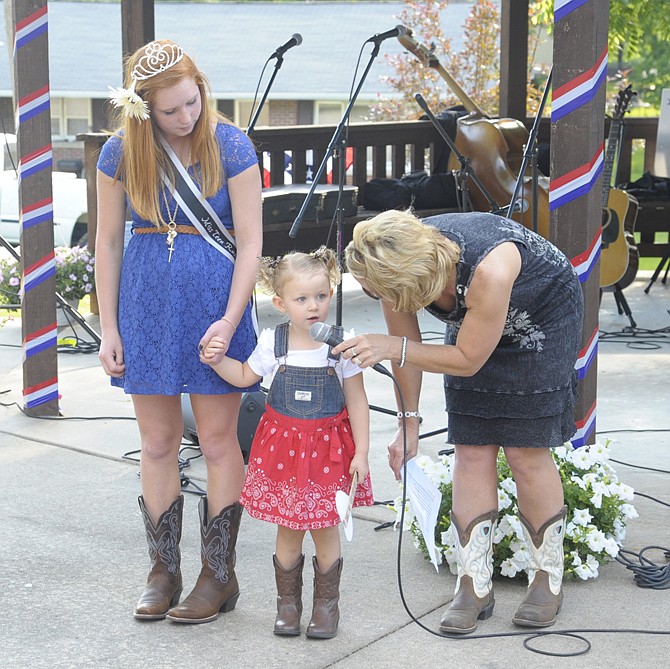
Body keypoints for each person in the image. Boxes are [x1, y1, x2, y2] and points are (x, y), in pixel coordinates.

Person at [334, 209, 584, 635]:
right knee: (471, 448)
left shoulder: (488, 268)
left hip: (542, 319)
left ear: (406, 277)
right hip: (478, 325)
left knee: (525, 452)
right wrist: (407, 423)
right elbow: (405, 352)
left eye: (374, 288)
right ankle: (473, 583)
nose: (369, 293)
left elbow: (464, 360)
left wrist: (391, 345)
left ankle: (547, 578)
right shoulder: (395, 271)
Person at [95, 39, 262, 624]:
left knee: (218, 442)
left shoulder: (231, 143)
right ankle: (163, 570)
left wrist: (232, 317)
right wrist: (108, 325)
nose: (186, 117)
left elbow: (251, 243)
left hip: (216, 304)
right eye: (170, 110)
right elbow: (109, 242)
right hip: (145, 307)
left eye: (192, 102)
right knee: (159, 442)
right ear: (143, 110)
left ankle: (219, 575)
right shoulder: (119, 153)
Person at [200, 247, 373, 639]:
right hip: (283, 455)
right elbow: (244, 376)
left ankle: (326, 608)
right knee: (288, 530)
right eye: (302, 299)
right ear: (280, 303)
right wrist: (215, 361)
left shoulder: (340, 345)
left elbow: (357, 399)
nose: (313, 306)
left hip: (329, 452)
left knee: (326, 528)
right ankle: (288, 607)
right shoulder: (273, 342)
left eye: (322, 296)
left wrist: (361, 451)